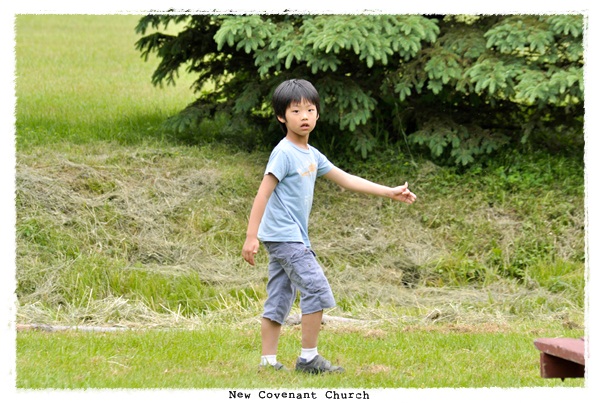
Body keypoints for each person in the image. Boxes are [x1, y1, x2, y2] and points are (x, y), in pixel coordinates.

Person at [242, 78, 416, 374]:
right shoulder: (284, 152)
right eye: (296, 111)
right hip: (284, 236)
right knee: (316, 287)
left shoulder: (311, 154)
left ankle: (268, 362)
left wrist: (390, 192)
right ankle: (308, 359)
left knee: (281, 295)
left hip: (290, 236)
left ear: (318, 114)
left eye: (310, 110)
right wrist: (251, 236)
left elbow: (346, 179)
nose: (304, 116)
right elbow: (263, 193)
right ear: (281, 117)